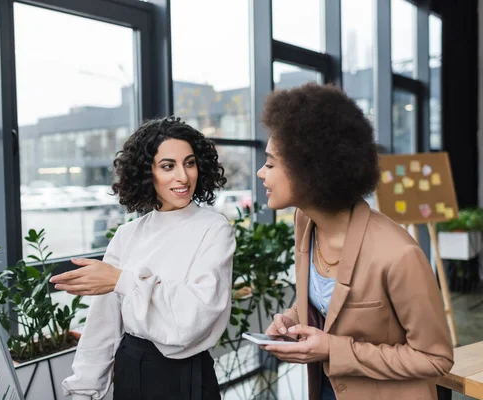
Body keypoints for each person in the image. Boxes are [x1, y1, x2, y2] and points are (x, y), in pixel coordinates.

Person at [256, 83, 453, 399]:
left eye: (270, 163)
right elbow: (327, 306)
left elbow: (436, 358)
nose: (260, 173)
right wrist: (291, 321)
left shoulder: (398, 254)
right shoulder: (305, 221)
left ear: (310, 170)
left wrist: (333, 350)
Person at [51, 116, 235, 400]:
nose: (183, 177)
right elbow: (103, 324)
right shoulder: (127, 234)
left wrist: (122, 280)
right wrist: (83, 390)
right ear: (146, 172)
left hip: (185, 376)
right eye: (167, 166)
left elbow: (196, 316)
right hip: (130, 370)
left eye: (189, 163)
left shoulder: (214, 229)